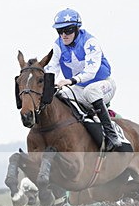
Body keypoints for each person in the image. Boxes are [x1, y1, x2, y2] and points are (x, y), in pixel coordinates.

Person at [45, 8, 122, 151]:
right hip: (79, 88)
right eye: (59, 31)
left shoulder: (89, 41)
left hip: (103, 84)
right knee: (60, 95)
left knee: (90, 91)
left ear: (77, 29)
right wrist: (44, 83)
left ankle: (111, 134)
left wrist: (70, 81)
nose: (63, 35)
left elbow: (91, 72)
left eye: (68, 30)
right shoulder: (58, 45)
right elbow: (51, 68)